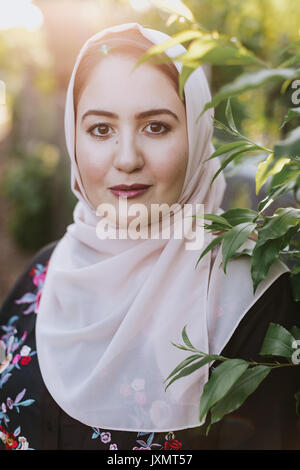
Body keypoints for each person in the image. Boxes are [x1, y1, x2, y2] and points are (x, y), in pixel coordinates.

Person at [0, 22, 299, 451]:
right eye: (101, 129)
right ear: (74, 138)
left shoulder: (256, 297)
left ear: (197, 136)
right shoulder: (41, 275)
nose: (126, 158)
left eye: (156, 127)